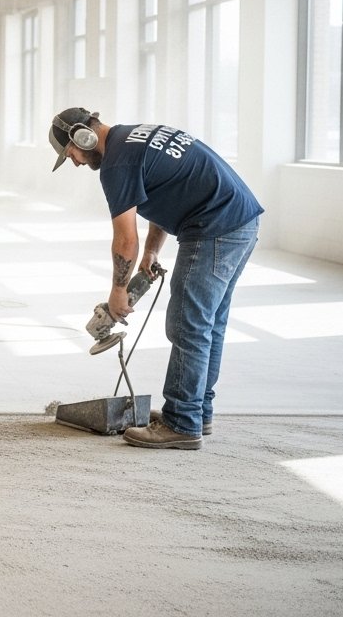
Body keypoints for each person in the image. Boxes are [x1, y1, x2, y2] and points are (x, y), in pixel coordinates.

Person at [49, 108, 262, 450]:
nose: (73, 161)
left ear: (81, 136)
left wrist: (118, 291)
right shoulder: (134, 139)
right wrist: (151, 253)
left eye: (70, 152)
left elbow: (124, 239)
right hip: (240, 221)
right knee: (209, 324)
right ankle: (196, 411)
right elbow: (165, 193)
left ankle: (181, 424)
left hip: (213, 228)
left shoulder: (117, 164)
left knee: (187, 325)